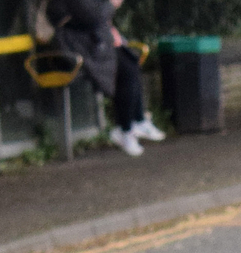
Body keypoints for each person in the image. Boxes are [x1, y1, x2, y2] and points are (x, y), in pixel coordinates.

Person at [45, 0, 164, 156]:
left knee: (129, 65)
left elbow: (96, 18)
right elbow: (93, 16)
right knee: (123, 68)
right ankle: (127, 127)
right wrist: (111, 4)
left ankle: (134, 122)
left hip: (90, 43)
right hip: (72, 48)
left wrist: (109, 32)